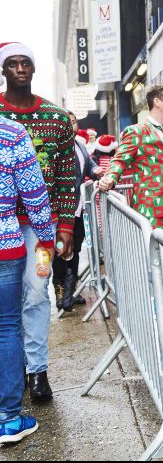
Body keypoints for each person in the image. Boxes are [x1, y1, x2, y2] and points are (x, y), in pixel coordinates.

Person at [0, 42, 77, 402]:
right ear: (3, 70)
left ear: (34, 68)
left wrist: (66, 227)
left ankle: (37, 371)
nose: (19, 69)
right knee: (7, 299)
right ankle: (11, 368)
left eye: (25, 63)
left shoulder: (57, 118)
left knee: (37, 290)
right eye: (12, 63)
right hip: (4, 224)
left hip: (42, 228)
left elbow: (66, 176)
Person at [0, 114, 55, 443]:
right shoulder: (10, 133)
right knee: (7, 326)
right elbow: (34, 194)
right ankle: (7, 419)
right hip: (5, 243)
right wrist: (46, 239)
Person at [98, 85, 163, 232]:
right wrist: (110, 177)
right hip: (148, 212)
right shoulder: (137, 131)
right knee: (151, 248)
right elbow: (119, 160)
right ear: (157, 102)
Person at [53, 111, 104, 312]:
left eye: (73, 122)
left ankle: (70, 293)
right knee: (60, 251)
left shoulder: (80, 146)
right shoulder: (56, 148)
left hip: (78, 209)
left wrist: (96, 171)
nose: (70, 125)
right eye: (66, 122)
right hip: (60, 211)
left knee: (75, 250)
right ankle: (60, 293)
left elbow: (89, 165)